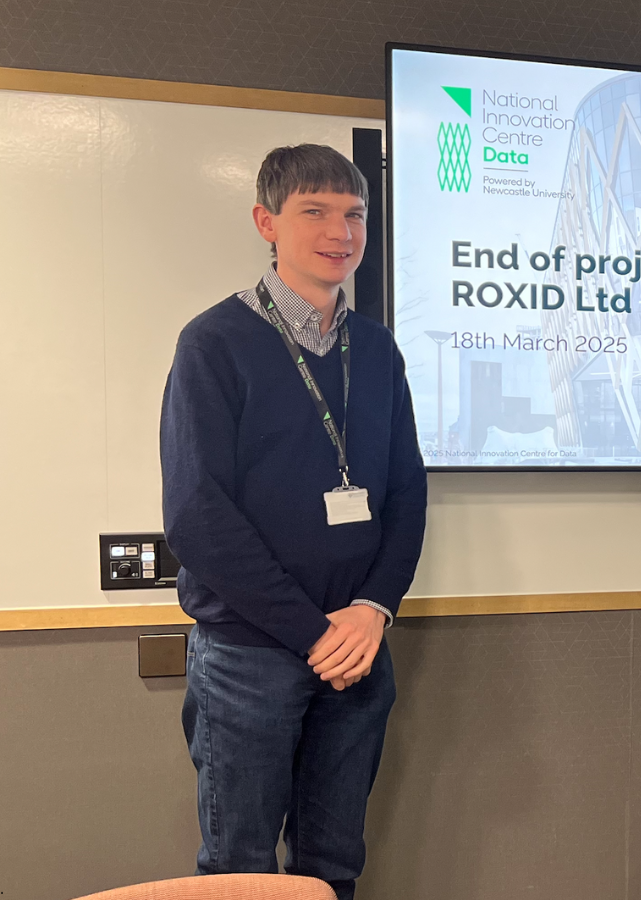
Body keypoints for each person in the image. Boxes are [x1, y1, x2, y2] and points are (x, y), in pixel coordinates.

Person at [160, 143, 428, 899]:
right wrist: (315, 634)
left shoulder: (377, 351)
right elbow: (196, 516)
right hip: (251, 656)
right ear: (266, 222)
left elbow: (407, 493)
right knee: (240, 872)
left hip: (358, 650)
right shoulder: (214, 344)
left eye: (355, 214)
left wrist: (372, 612)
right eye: (314, 211)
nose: (340, 231)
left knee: (334, 865)